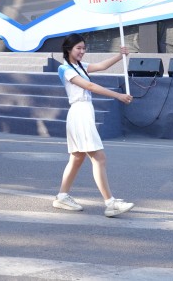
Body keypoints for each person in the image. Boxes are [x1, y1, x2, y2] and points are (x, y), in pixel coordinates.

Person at [52, 33, 135, 218]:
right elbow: (89, 87)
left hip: (83, 112)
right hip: (79, 112)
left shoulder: (80, 66)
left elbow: (102, 65)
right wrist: (118, 96)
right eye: (78, 48)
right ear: (68, 50)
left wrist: (120, 54)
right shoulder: (65, 69)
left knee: (77, 158)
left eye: (83, 48)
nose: (82, 51)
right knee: (99, 158)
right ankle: (110, 203)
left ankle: (62, 196)